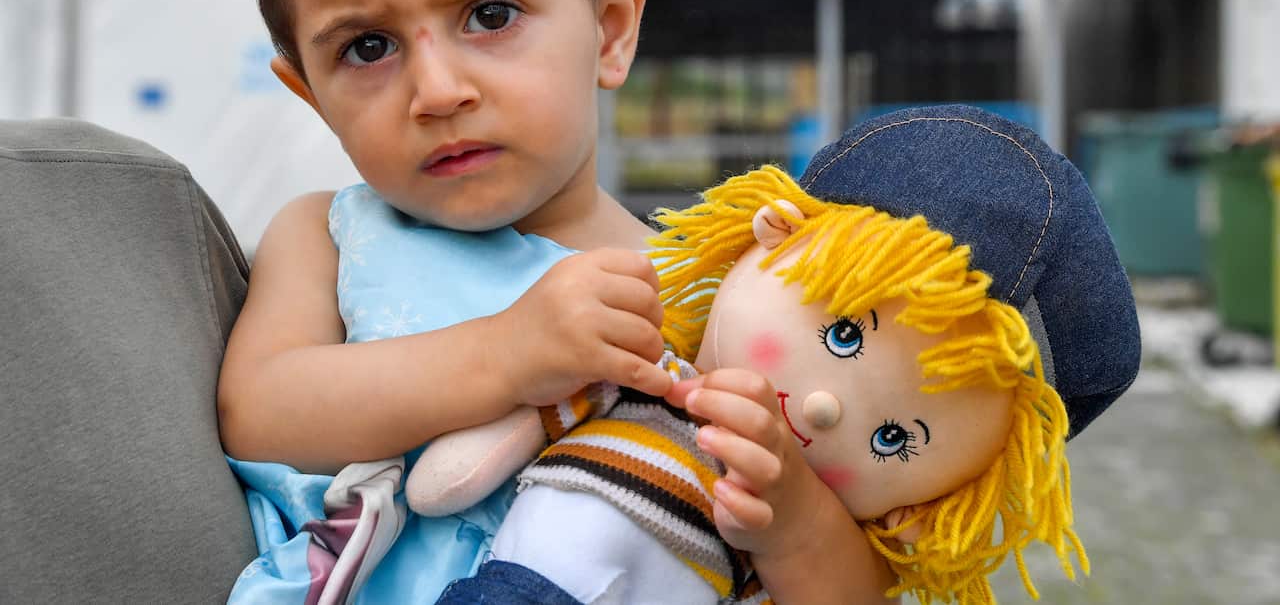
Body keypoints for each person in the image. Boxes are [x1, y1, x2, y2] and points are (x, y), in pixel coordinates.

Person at [215, 0, 894, 603]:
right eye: (368, 47)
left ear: (610, 26)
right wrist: (506, 353)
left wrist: (792, 512)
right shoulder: (329, 234)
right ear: (311, 93)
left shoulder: (710, 295)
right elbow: (261, 409)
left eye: (490, 14)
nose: (438, 90)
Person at [414, 105, 1141, 605]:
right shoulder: (644, 360)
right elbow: (485, 446)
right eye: (845, 333)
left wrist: (793, 519)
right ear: (772, 234)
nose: (824, 406)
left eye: (892, 439)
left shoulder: (820, 532)